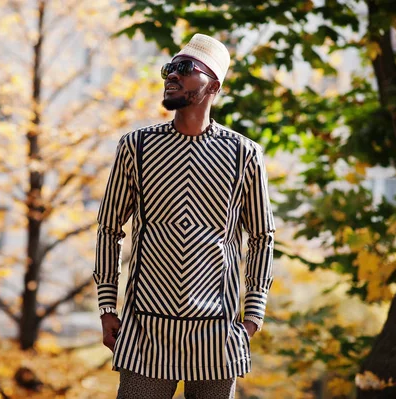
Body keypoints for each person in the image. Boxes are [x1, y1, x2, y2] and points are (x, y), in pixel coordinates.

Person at [93, 33, 275, 399]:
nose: (171, 75)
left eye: (185, 68)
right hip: (146, 334)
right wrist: (107, 305)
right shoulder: (136, 146)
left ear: (214, 86)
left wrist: (252, 317)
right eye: (169, 68)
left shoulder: (245, 154)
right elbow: (109, 227)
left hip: (217, 337)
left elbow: (262, 237)